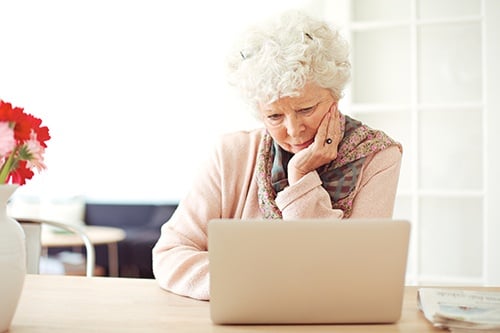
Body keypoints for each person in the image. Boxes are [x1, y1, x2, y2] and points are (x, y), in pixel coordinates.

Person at [152, 10, 402, 301]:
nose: (294, 131)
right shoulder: (231, 153)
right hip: (247, 313)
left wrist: (300, 178)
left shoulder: (377, 156)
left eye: (306, 109)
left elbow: (354, 273)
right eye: (273, 116)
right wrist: (257, 285)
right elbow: (170, 254)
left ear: (335, 95)